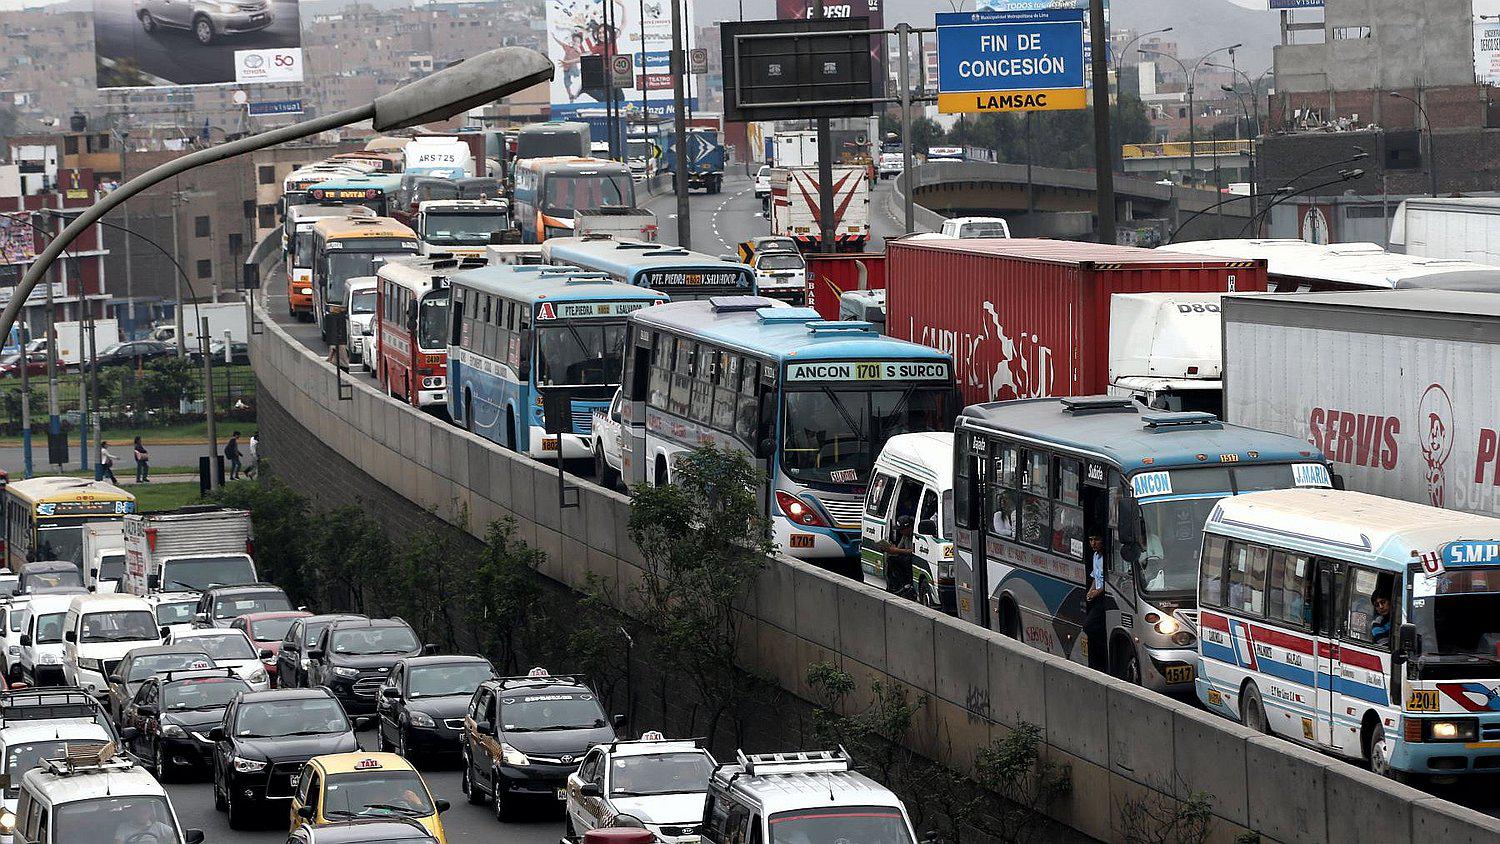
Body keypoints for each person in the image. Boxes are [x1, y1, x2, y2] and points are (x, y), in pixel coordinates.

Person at [1083, 533, 1110, 671]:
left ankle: (1106, 656)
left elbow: (1109, 581)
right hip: (1096, 596)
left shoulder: (1108, 557)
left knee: (1089, 626)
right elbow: (1096, 577)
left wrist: (1096, 592)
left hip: (1105, 597)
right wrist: (1090, 591)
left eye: (1096, 539)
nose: (1093, 543)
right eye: (1091, 540)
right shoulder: (1095, 556)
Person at [880, 516, 917, 599]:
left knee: (906, 560)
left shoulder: (914, 536)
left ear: (909, 528)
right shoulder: (904, 536)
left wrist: (897, 551)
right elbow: (899, 548)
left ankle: (908, 584)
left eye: (902, 529)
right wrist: (890, 549)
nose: (900, 532)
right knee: (891, 559)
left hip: (912, 560)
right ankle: (894, 585)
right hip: (904, 557)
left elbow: (913, 551)